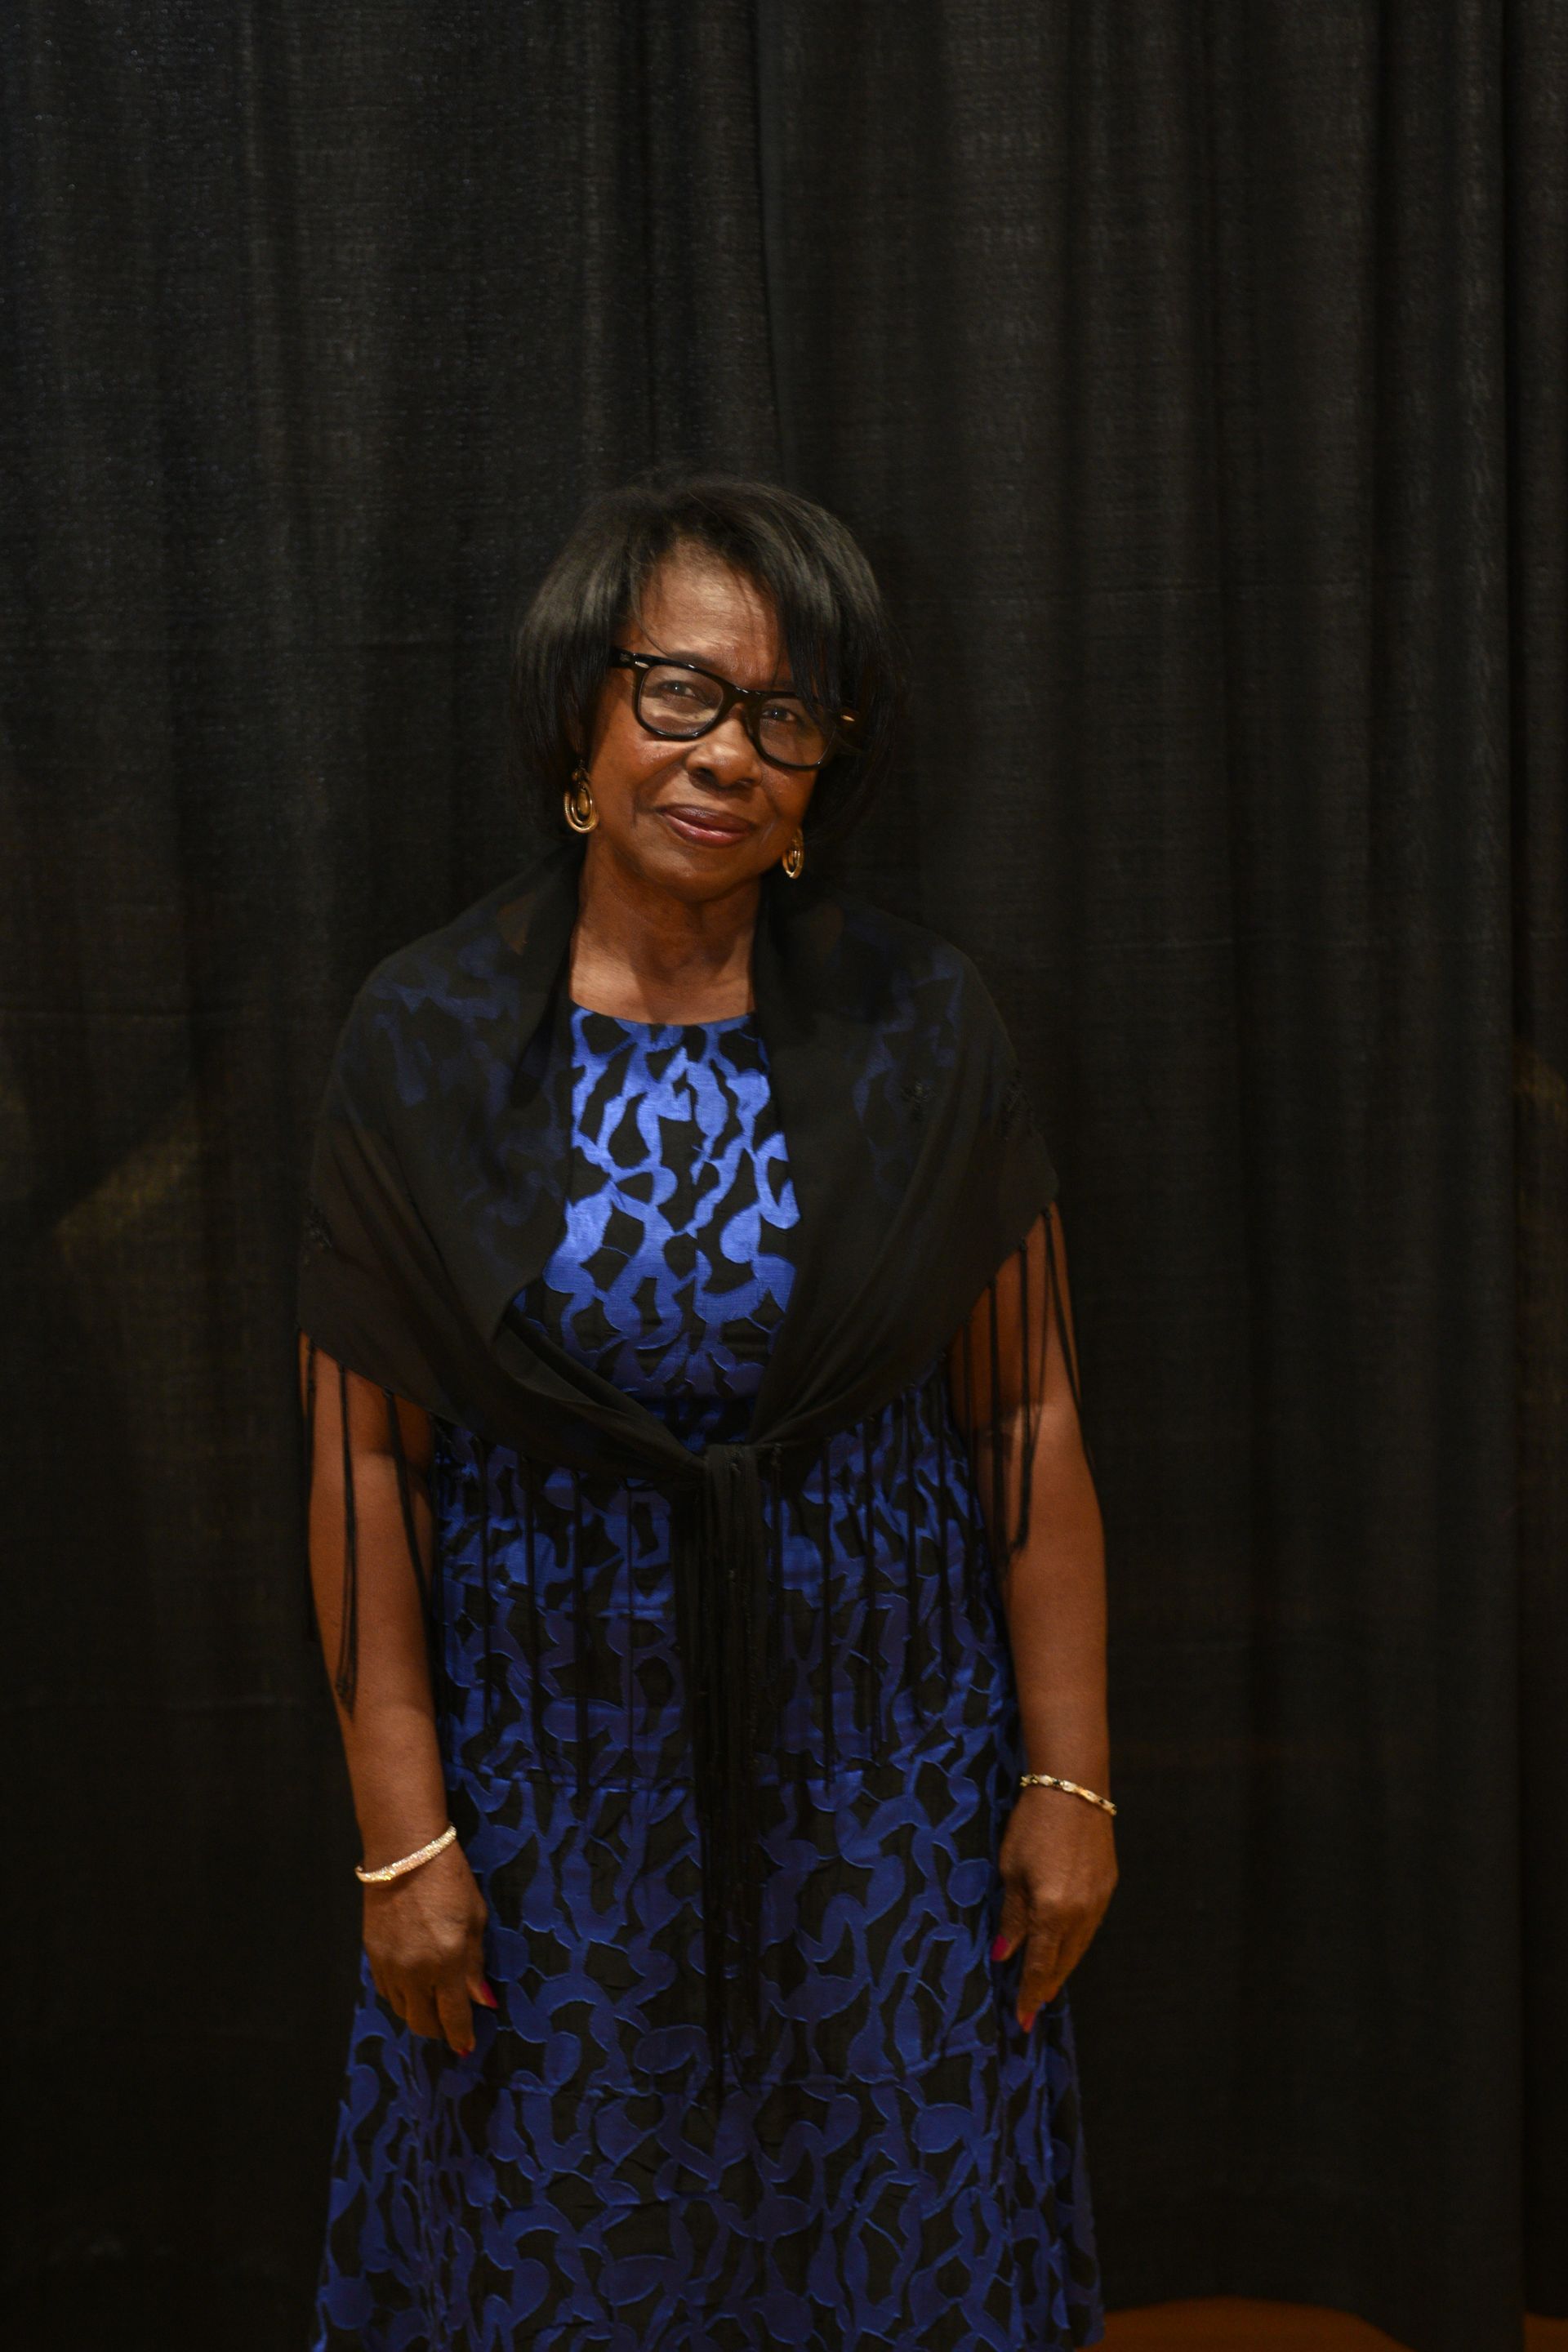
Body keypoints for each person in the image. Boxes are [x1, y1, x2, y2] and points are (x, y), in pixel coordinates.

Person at [299, 474, 1116, 2350]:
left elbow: (1026, 1421)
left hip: (891, 1808)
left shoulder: (927, 1029)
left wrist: (1068, 1784)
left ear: (828, 767)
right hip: (550, 1823)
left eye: (787, 713)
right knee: (574, 2270)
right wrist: (404, 1841)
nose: (729, 752)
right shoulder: (424, 1040)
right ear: (579, 711)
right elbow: (362, 1467)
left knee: (898, 2268)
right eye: (679, 691)